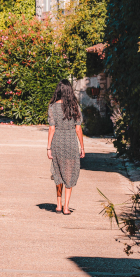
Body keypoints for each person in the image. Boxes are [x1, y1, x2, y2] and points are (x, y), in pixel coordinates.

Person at [47, 79, 85, 215]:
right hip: (70, 143)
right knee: (69, 173)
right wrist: (82, 147)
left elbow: (51, 129)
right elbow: (78, 129)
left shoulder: (52, 107)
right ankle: (66, 207)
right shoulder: (75, 107)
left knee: (58, 173)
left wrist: (48, 148)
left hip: (57, 141)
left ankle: (58, 205)